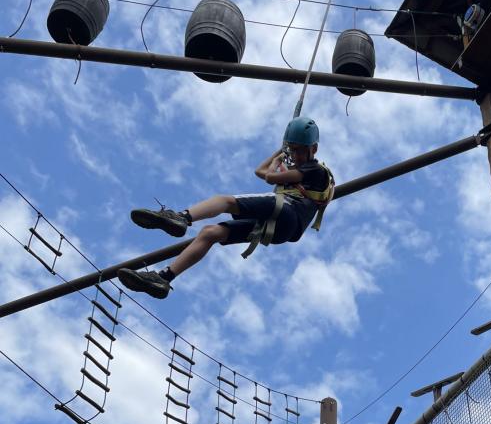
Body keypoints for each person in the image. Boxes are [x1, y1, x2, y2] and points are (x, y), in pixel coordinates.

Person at [117, 117, 334, 299]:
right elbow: (259, 171)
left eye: (299, 151)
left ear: (313, 149)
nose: (295, 155)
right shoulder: (300, 173)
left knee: (225, 201)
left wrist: (277, 163)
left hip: (287, 213)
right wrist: (280, 151)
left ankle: (182, 217)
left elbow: (268, 177)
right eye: (292, 150)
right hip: (279, 229)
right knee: (210, 233)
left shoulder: (315, 170)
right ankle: (163, 278)